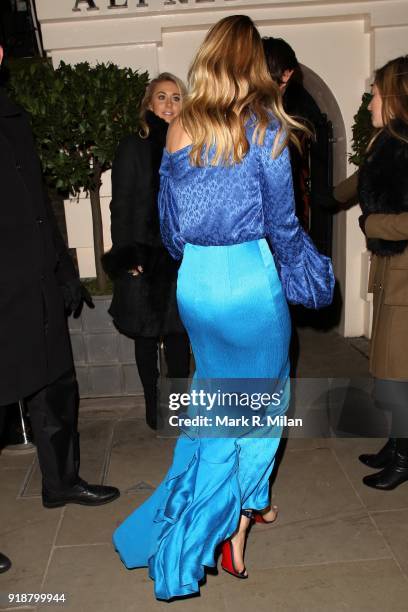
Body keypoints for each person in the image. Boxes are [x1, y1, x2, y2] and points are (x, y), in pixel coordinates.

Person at [113, 15, 334, 600]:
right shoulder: (263, 125)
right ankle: (234, 523)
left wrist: (197, 265)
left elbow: (170, 223)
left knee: (216, 401)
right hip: (245, 281)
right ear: (251, 64)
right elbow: (285, 228)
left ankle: (231, 511)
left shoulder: (180, 125)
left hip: (197, 283)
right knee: (263, 408)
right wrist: (312, 278)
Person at [0, 45, 120, 571]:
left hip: (39, 285)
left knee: (55, 390)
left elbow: (41, 202)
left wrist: (64, 269)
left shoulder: (14, 115)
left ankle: (62, 482)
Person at [102, 73, 190, 430]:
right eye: (162, 98)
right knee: (146, 335)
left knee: (180, 337)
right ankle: (153, 407)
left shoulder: (189, 146)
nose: (169, 105)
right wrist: (128, 256)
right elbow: (120, 206)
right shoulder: (133, 146)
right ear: (149, 104)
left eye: (176, 98)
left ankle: (182, 408)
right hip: (144, 258)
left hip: (182, 258)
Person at [357, 56, 408, 490]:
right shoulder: (388, 141)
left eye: (374, 93)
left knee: (400, 374)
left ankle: (405, 458)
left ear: (393, 97)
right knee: (392, 371)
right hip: (392, 273)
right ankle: (397, 443)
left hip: (406, 281)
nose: (370, 101)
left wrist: (373, 225)